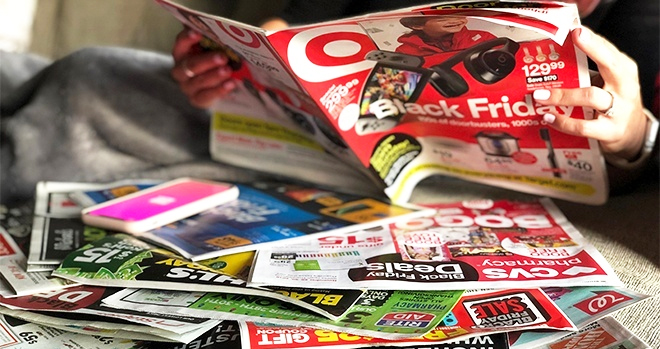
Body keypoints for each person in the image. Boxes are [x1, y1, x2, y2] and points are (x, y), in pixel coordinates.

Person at [170, 0, 658, 179]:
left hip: (501, 190)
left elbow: (648, 154)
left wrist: (635, 132)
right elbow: (287, 28)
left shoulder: (641, 16)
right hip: (333, 154)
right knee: (97, 70)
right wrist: (227, 60)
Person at [395, 15, 497, 55]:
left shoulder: (484, 38)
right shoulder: (405, 51)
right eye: (443, 18)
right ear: (416, 25)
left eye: (460, 14)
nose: (456, 21)